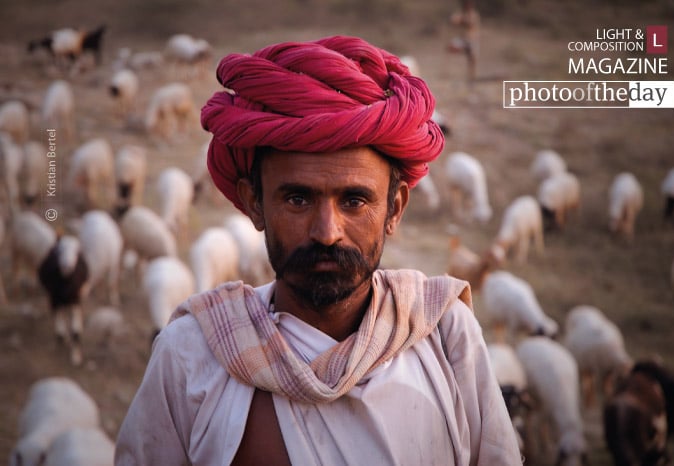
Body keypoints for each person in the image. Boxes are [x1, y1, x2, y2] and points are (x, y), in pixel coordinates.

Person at [115, 35, 522, 465]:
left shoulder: (445, 337)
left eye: (354, 201)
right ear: (254, 202)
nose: (327, 232)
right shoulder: (191, 354)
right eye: (297, 199)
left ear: (395, 208)